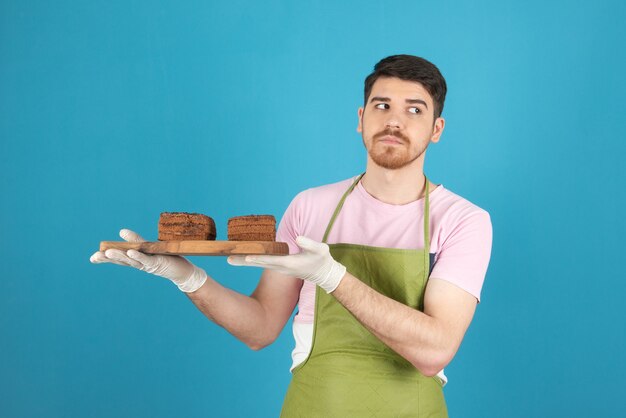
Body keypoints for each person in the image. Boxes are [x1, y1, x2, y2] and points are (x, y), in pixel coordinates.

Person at [91, 54, 492, 417]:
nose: (394, 121)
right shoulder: (311, 206)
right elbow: (261, 328)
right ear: (360, 118)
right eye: (382, 105)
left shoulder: (462, 220)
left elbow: (435, 349)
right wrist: (188, 279)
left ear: (436, 128)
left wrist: (332, 277)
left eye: (414, 110)